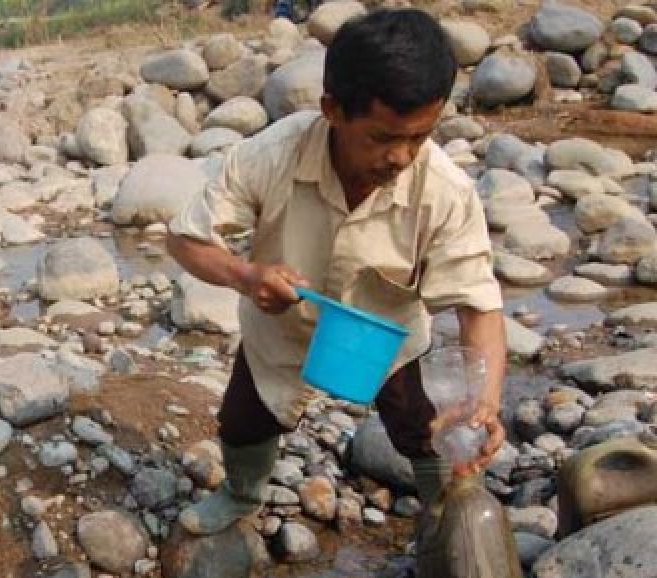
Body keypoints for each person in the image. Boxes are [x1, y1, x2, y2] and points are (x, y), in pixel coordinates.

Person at [166, 8, 506, 536]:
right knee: (244, 421)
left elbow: (479, 307)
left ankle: (451, 519)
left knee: (430, 431)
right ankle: (241, 494)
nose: (401, 156)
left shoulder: (444, 190)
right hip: (279, 329)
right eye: (382, 137)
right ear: (332, 109)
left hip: (388, 338)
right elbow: (185, 238)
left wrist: (481, 405)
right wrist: (246, 276)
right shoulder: (273, 154)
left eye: (419, 137)